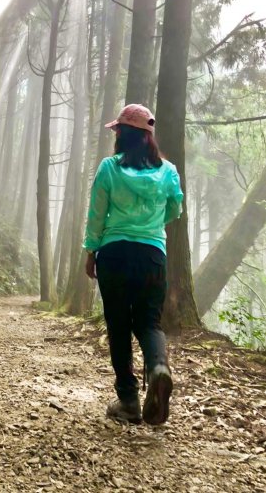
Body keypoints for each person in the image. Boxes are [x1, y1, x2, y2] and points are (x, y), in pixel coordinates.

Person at [83, 104, 183, 425]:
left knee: (119, 325)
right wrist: (152, 225)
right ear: (148, 138)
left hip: (114, 254)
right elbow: (175, 209)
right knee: (149, 323)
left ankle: (128, 400)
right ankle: (158, 368)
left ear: (122, 136)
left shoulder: (109, 168)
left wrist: (90, 250)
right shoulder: (168, 171)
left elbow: (97, 213)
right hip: (153, 255)